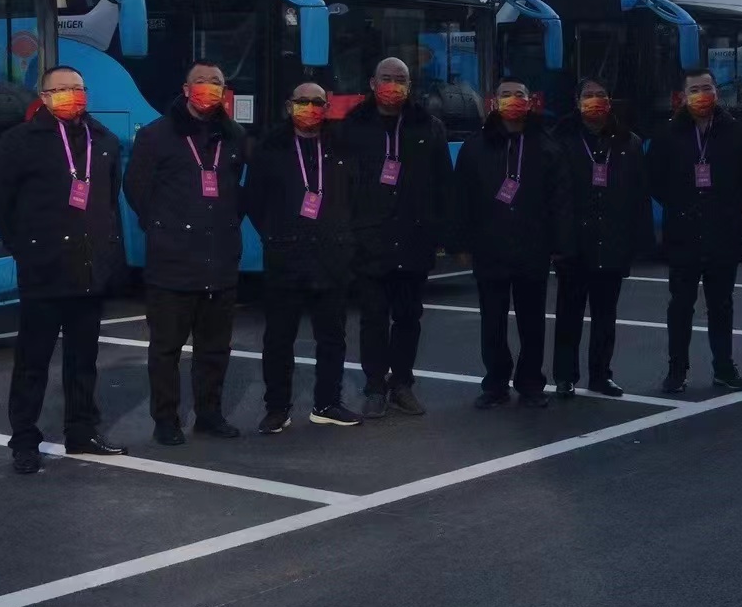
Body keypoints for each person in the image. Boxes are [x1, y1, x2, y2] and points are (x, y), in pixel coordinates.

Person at [0, 65, 129, 474]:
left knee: (83, 359)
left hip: (89, 267)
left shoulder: (103, 140)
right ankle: (24, 440)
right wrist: (23, 247)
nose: (71, 95)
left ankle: (82, 432)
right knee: (33, 360)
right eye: (60, 89)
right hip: (43, 267)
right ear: (43, 96)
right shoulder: (20, 141)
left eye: (77, 88)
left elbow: (109, 198)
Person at [124, 59, 247, 446]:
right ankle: (166, 419)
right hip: (172, 261)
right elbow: (136, 188)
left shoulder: (234, 136)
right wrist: (163, 227)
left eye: (216, 81)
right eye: (201, 81)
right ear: (185, 89)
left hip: (220, 258)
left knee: (215, 348)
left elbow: (237, 191)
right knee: (166, 349)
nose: (208, 87)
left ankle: (209, 414)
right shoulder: (156, 135)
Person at [244, 83, 361, 430]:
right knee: (279, 338)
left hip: (331, 256)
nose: (310, 107)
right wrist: (274, 233)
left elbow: (355, 196)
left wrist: (343, 234)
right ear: (289, 105)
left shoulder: (341, 147)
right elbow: (254, 200)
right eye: (302, 101)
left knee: (332, 336)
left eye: (317, 102)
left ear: (327, 107)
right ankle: (277, 408)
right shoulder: (271, 148)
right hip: (286, 256)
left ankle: (328, 403)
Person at [452, 79, 574, 409]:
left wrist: (560, 244)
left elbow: (561, 200)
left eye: (519, 95)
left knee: (532, 322)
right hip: (489, 246)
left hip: (533, 247)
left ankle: (531, 383)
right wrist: (459, 243)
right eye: (505, 95)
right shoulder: (475, 147)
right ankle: (495, 383)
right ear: (494, 102)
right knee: (492, 322)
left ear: (531, 101)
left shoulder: (546, 145)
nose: (513, 100)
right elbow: (461, 197)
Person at [344, 56, 453, 419]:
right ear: (372, 83)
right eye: (386, 78)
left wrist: (441, 233)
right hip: (368, 239)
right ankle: (375, 386)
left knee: (408, 317)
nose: (393, 85)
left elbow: (443, 183)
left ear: (409, 85)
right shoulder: (353, 127)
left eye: (400, 79)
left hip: (413, 237)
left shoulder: (429, 126)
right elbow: (342, 185)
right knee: (373, 318)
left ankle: (402, 384)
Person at [646, 69, 742, 393]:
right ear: (683, 96)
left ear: (717, 92)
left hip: (723, 232)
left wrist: (731, 206)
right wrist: (680, 204)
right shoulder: (668, 134)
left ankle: (724, 368)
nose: (702, 95)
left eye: (707, 88)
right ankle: (677, 370)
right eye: (695, 90)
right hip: (683, 233)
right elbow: (654, 179)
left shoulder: (735, 132)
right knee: (681, 306)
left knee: (722, 305)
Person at [550, 77, 651, 398]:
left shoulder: (629, 142)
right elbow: (551, 196)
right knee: (568, 315)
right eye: (588, 95)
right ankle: (565, 376)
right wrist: (556, 241)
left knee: (606, 316)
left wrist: (640, 241)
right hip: (573, 244)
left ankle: (601, 375)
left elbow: (639, 195)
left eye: (601, 95)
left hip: (612, 241)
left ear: (610, 101)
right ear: (577, 101)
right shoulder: (561, 140)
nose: (595, 100)